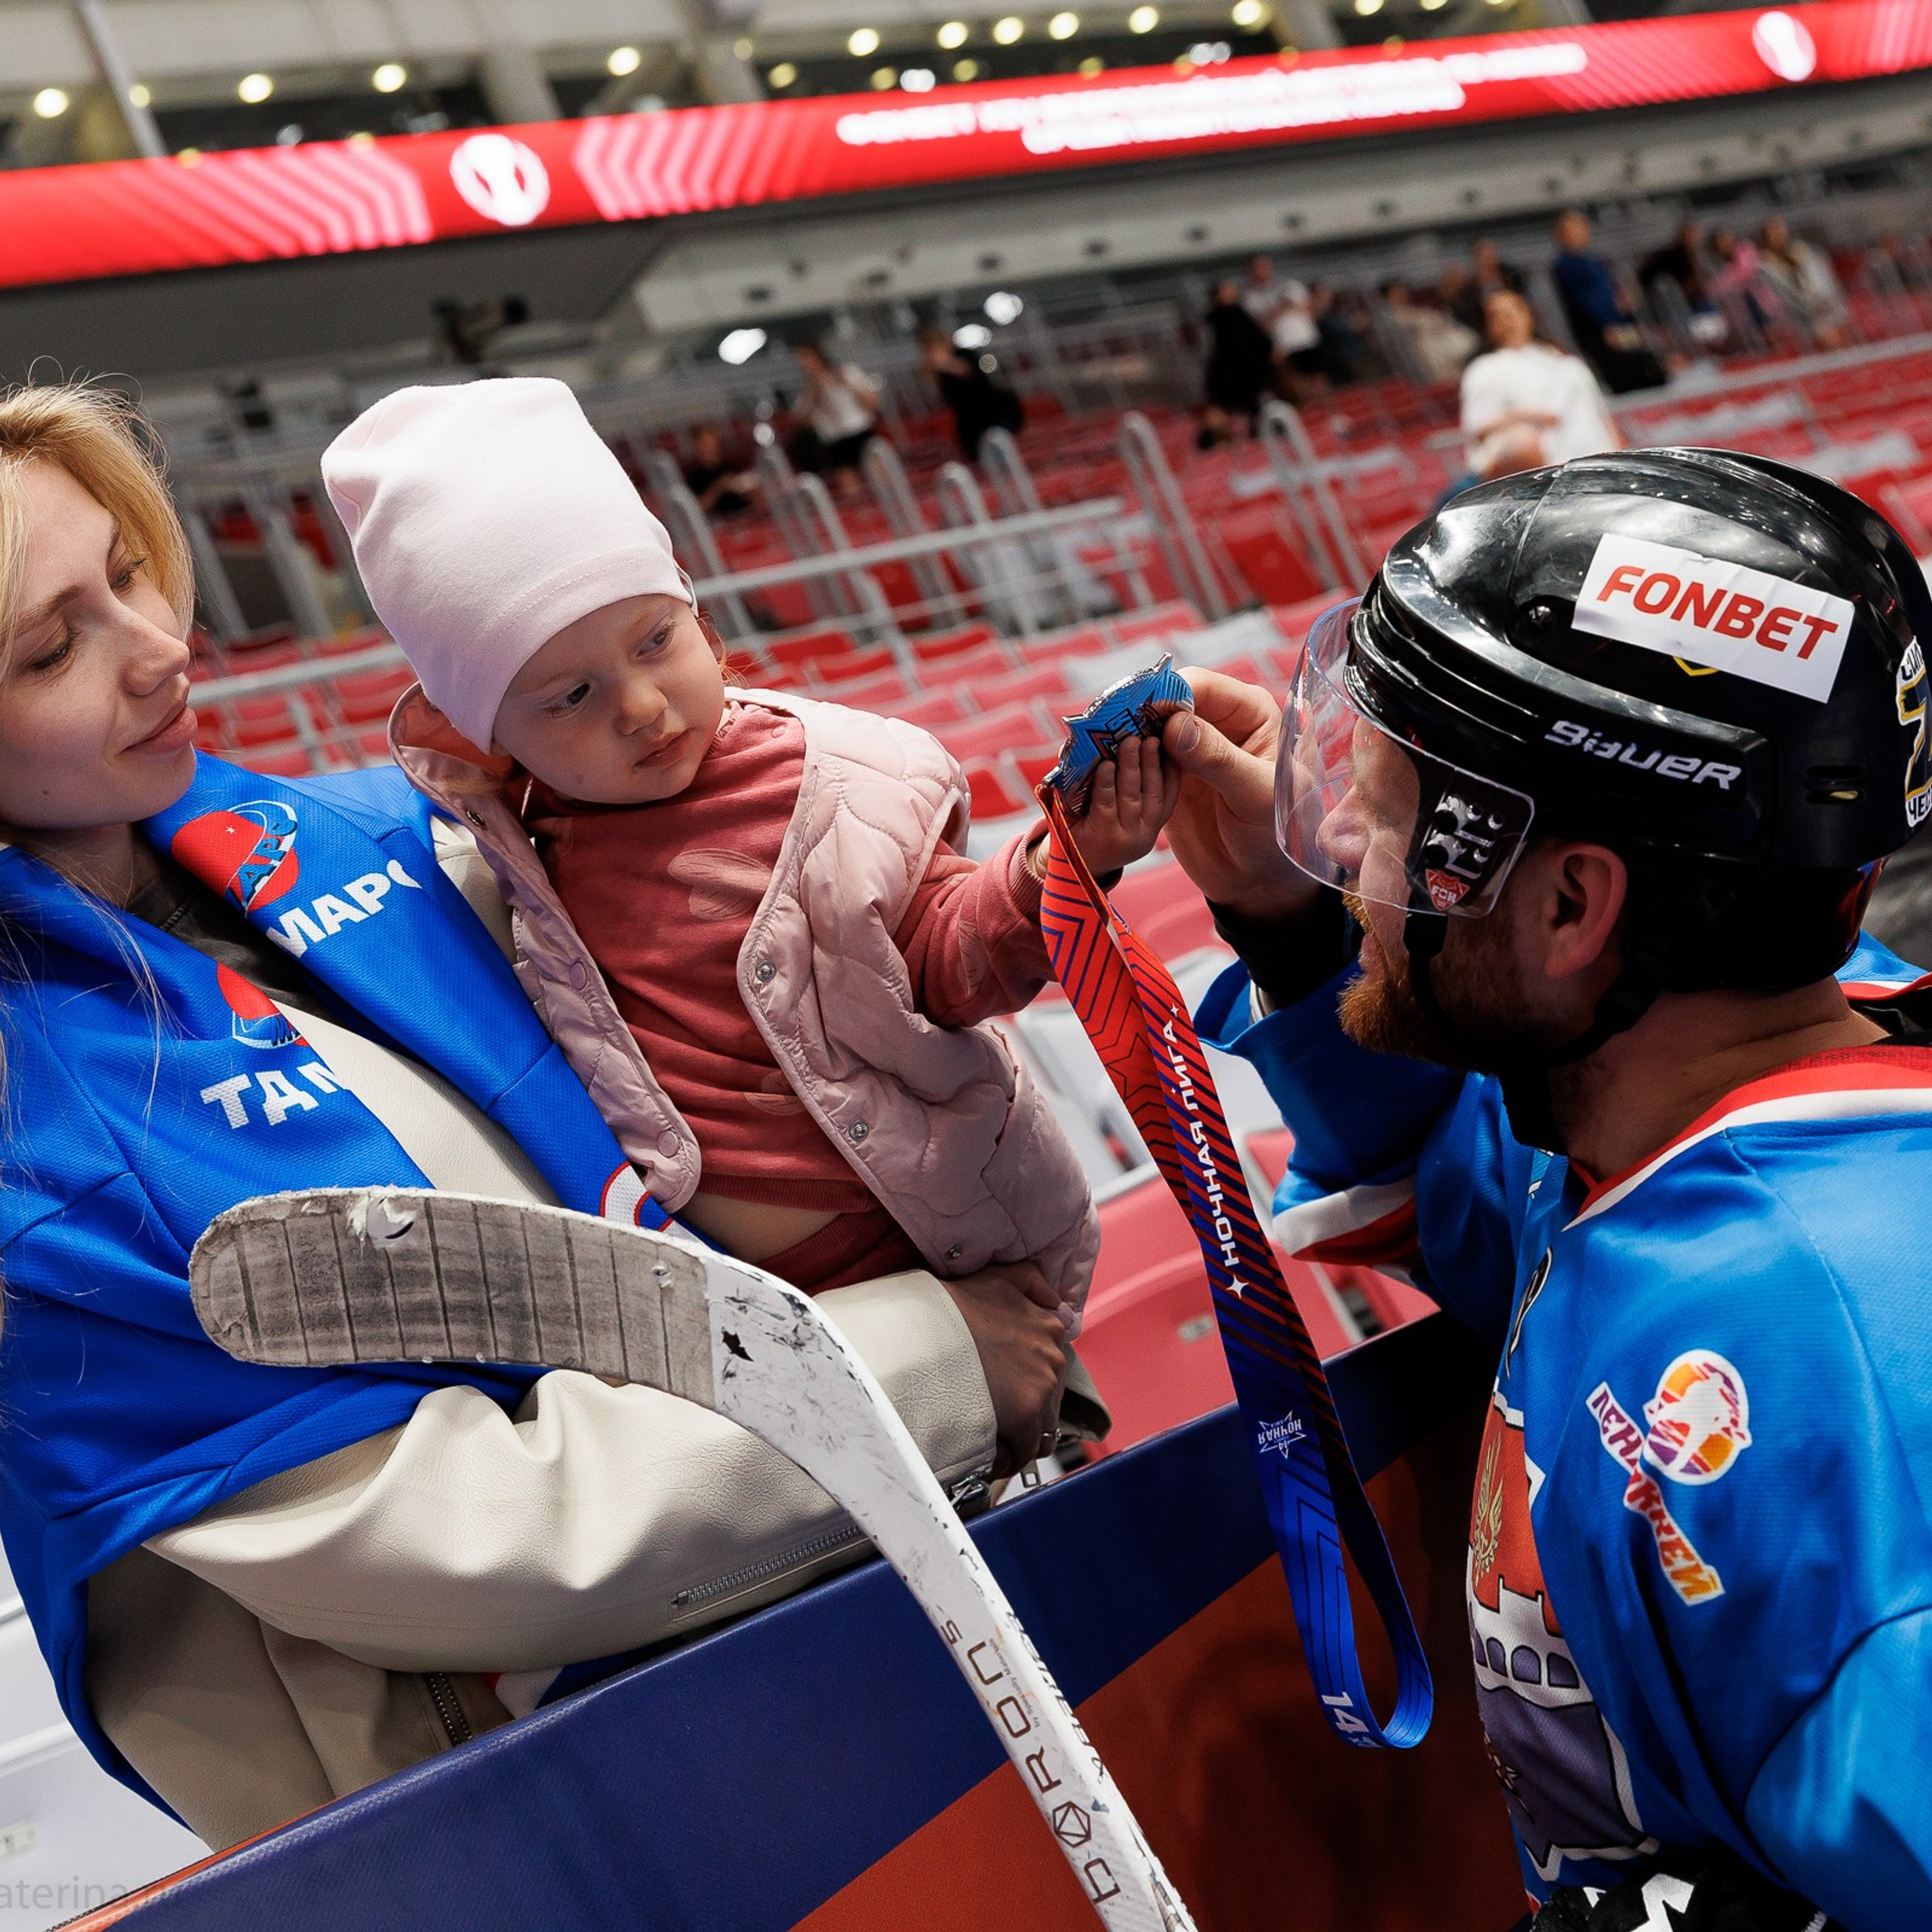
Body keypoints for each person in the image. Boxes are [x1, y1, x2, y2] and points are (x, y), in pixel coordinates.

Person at [0, 382, 1074, 1852]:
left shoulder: (358, 834)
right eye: (53, 645)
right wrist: (933, 1355)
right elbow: (455, 1538)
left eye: (128, 573)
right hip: (579, 1821)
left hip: (827, 1630)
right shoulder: (29, 1148)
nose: (161, 647)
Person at [1155, 448, 1932, 1928]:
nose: (1343, 848)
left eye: (1383, 812)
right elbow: (1472, 1186)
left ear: (1573, 905)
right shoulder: (1664, 1094)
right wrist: (1294, 928)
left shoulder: (1835, 1385)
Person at [325, 377, 1171, 1313]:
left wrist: (1051, 873)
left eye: (655, 641)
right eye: (570, 697)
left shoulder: (830, 782)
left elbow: (942, 959)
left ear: (698, 614)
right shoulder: (501, 860)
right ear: (480, 738)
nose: (640, 709)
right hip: (747, 1317)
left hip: (937, 1256)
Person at [1460, 289, 1620, 480]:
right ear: (1489, 325)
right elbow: (1478, 429)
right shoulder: (1483, 369)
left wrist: (1618, 454)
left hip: (1598, 464)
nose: (1510, 320)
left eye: (1516, 310)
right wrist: (1522, 416)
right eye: (1499, 315)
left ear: (1529, 314)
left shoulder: (1564, 361)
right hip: (1547, 477)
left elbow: (1601, 416)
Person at [1550, 210, 1667, 393]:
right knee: (1628, 376)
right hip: (1605, 334)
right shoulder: (1567, 265)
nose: (1584, 232)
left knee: (1644, 367)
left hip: (1619, 328)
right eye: (1577, 228)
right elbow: (1589, 303)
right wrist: (1609, 323)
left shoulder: (1593, 261)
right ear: (1563, 235)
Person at [791, 340, 881, 497]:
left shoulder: (846, 372)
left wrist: (848, 385)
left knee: (881, 482)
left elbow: (873, 402)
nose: (803, 363)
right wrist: (815, 395)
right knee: (852, 493)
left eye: (806, 357)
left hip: (860, 432)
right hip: (835, 441)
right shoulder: (807, 391)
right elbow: (800, 422)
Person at [918, 328, 1024, 463]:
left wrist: (944, 364)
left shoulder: (964, 354)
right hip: (968, 421)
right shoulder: (938, 370)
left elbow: (967, 372)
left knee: (1000, 453)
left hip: (989, 413)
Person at [1758, 217, 1850, 350]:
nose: (1779, 235)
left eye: (1780, 230)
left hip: (1825, 302)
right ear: (1766, 237)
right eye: (1773, 233)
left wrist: (1828, 298)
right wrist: (1806, 308)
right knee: (1829, 338)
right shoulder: (1766, 264)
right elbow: (1782, 295)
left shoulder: (1802, 250)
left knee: (1840, 337)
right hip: (1803, 312)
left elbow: (1823, 278)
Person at [1202, 277, 1278, 429]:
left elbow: (1257, 338)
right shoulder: (1215, 319)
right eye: (1227, 290)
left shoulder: (1240, 313)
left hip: (1250, 371)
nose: (1232, 292)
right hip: (1230, 373)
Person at [1382, 280, 1479, 386]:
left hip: (1443, 342)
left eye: (1402, 291)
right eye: (1396, 292)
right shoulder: (1390, 318)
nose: (1401, 295)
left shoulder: (1416, 309)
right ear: (1388, 296)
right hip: (1424, 352)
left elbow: (1438, 319)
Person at [680, 423, 760, 517]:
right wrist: (719, 487)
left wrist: (747, 488)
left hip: (746, 515)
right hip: (718, 522)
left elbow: (754, 498)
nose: (712, 446)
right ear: (697, 446)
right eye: (707, 443)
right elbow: (697, 508)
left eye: (714, 441)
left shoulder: (731, 465)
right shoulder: (693, 475)